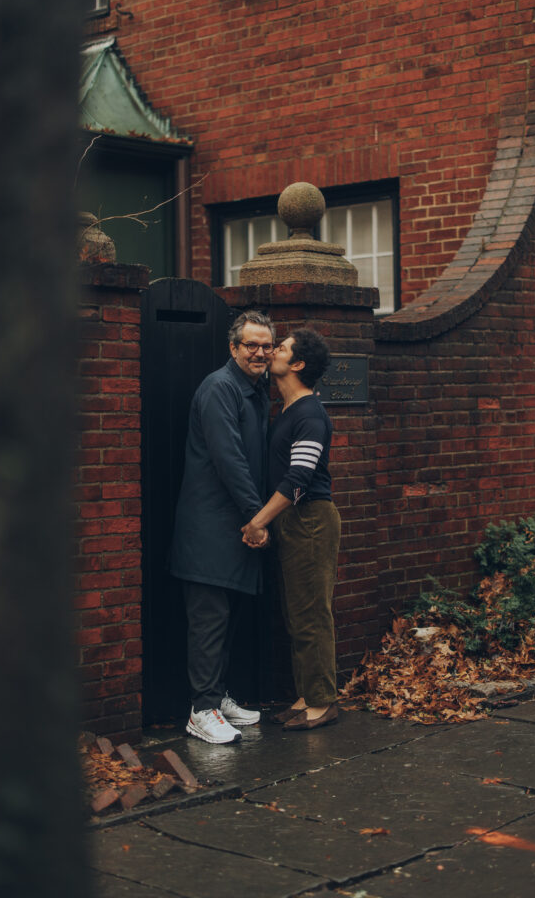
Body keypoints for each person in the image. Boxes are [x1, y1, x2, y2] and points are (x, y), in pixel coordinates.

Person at [169, 310, 274, 744]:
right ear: (233, 348)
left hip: (233, 526)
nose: (260, 352)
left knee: (226, 618)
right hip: (210, 527)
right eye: (251, 345)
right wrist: (256, 516)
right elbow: (228, 458)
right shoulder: (219, 388)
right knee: (209, 620)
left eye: (266, 345)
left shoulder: (254, 389)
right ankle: (200, 710)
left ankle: (216, 697)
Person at [242, 327, 341, 731]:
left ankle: (323, 702)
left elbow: (299, 477)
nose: (270, 352)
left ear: (297, 364)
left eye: (279, 348)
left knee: (312, 612)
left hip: (311, 519)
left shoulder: (309, 414)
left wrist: (258, 520)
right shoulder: (289, 410)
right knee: (297, 611)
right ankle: (308, 694)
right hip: (296, 521)